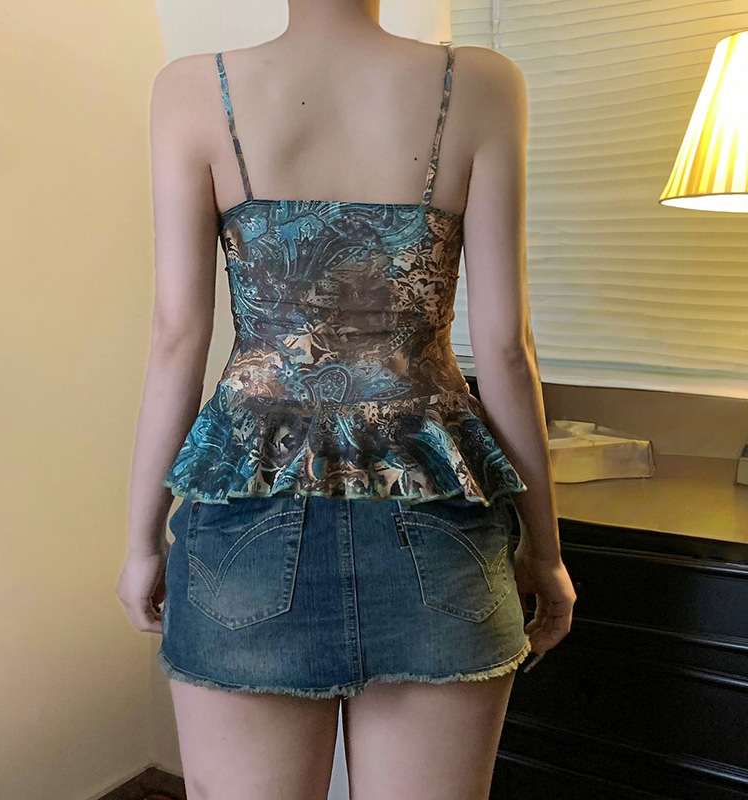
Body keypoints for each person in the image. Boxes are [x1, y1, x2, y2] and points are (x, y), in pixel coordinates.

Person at [116, 2, 576, 798]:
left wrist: (140, 543)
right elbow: (506, 349)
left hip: (246, 523)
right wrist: (547, 551)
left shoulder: (193, 89)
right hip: (439, 522)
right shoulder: (483, 84)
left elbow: (176, 338)